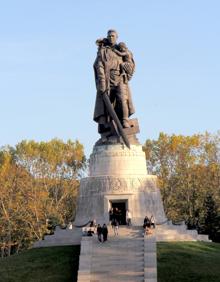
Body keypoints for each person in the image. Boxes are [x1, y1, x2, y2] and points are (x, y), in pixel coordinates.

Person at [93, 29, 135, 134]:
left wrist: (128, 67)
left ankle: (125, 120)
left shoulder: (122, 49)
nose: (111, 37)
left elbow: (130, 63)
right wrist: (102, 82)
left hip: (120, 78)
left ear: (116, 37)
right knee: (107, 105)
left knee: (122, 99)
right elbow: (99, 66)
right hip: (107, 80)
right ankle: (107, 126)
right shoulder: (103, 51)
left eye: (113, 36)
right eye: (109, 36)